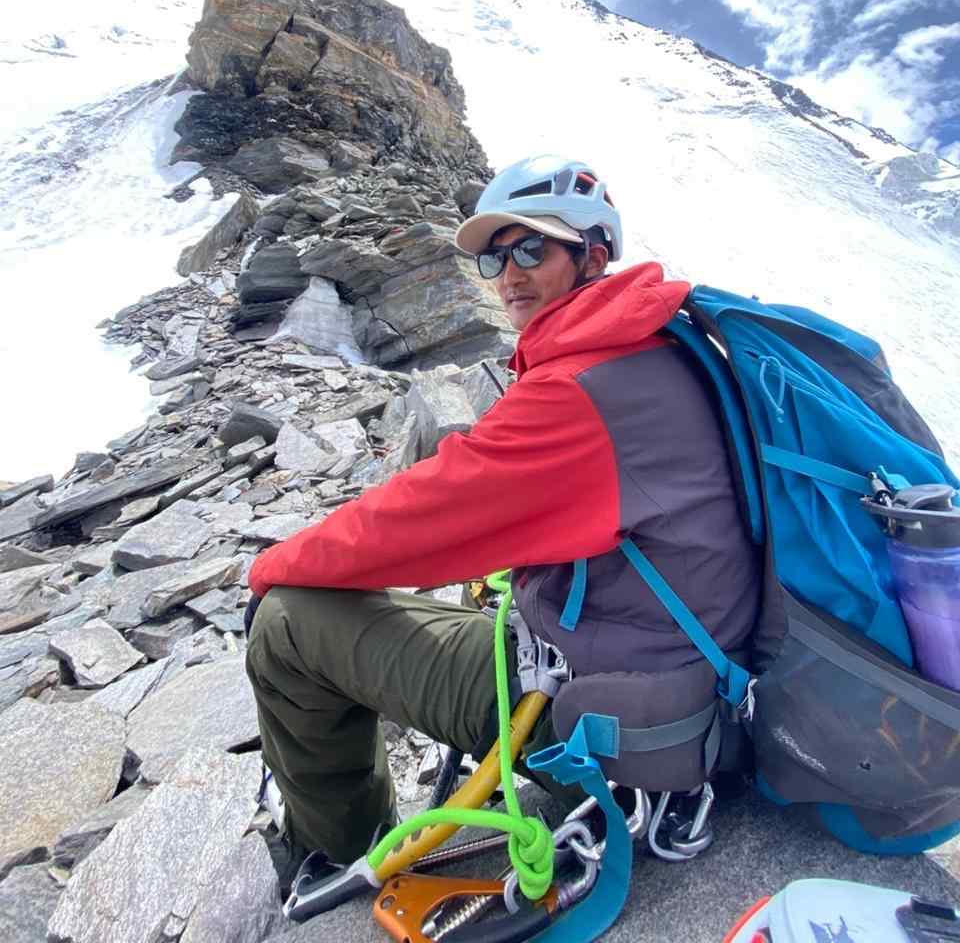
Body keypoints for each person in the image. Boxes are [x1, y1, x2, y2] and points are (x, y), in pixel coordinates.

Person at [244, 154, 759, 888]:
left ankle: (334, 855)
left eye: (531, 249)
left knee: (288, 624)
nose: (509, 275)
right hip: (698, 693)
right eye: (495, 257)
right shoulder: (662, 346)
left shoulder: (581, 392)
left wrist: (268, 568)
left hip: (624, 733)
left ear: (594, 256)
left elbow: (419, 519)